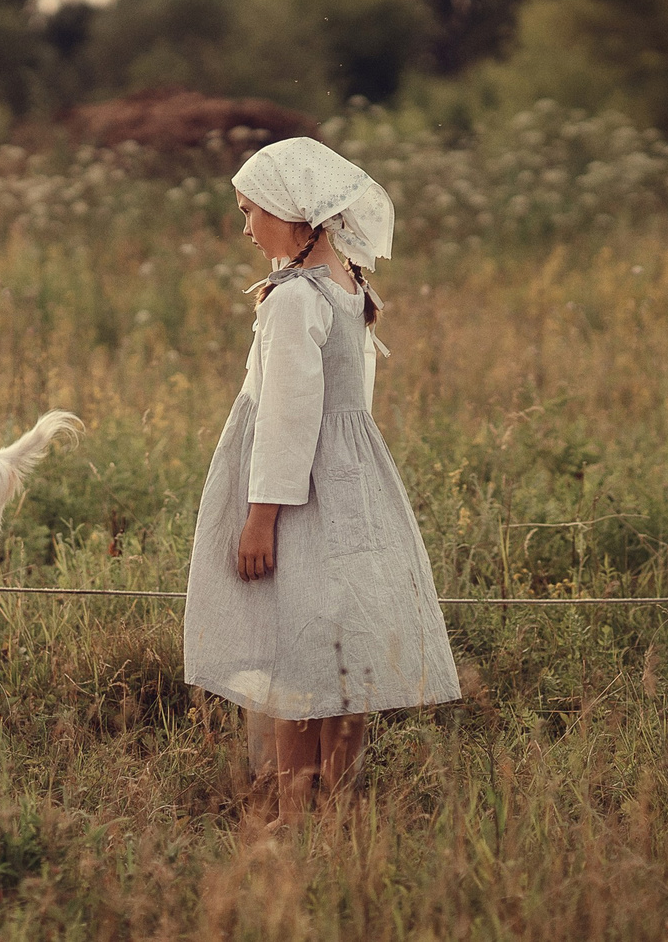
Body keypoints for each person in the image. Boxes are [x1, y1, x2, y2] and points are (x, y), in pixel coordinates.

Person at [182, 137, 460, 814]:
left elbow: (286, 416)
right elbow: (348, 404)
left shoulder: (293, 298)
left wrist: (260, 517)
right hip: (353, 478)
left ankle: (295, 805)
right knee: (344, 638)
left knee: (297, 650)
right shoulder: (350, 282)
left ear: (293, 213)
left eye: (252, 212)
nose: (245, 228)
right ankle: (336, 796)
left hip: (299, 492)